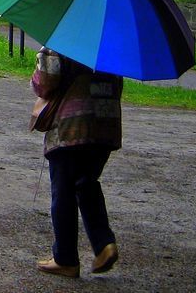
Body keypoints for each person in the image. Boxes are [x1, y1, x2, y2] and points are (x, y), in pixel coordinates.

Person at [31, 45, 123, 278]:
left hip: (71, 125)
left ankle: (66, 259)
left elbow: (46, 81)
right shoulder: (110, 42)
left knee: (63, 191)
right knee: (85, 181)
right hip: (105, 124)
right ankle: (104, 244)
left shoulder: (62, 39)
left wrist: (36, 76)